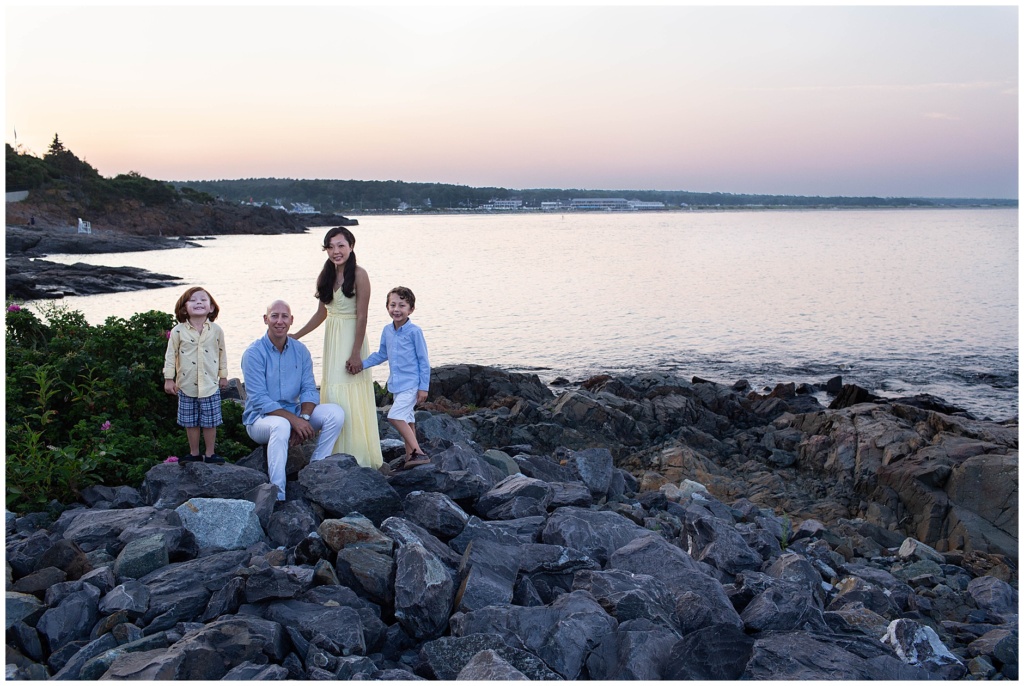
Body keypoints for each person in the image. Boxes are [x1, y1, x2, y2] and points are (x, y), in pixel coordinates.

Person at [291, 227, 384, 470]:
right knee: (332, 392)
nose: (336, 251)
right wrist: (297, 335)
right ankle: (334, 451)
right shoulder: (325, 276)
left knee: (351, 391)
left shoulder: (360, 275)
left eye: (341, 245)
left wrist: (356, 354)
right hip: (332, 338)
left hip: (352, 338)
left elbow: (362, 316)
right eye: (331, 247)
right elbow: (322, 313)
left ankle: (357, 454)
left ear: (351, 247)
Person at [241, 300, 346, 500]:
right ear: (266, 319)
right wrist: (294, 421)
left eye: (284, 316)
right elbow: (260, 400)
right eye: (274, 316)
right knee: (280, 425)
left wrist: (304, 418)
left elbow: (309, 389)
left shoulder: (301, 351)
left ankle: (315, 469)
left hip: (295, 412)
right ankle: (278, 493)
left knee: (335, 413)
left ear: (291, 320)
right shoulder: (253, 354)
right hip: (260, 420)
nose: (279, 321)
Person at [351, 286, 431, 469]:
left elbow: (423, 361)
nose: (396, 309)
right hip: (397, 385)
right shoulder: (387, 330)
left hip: (411, 384)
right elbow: (381, 354)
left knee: (395, 416)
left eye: (402, 305)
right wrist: (361, 364)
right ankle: (410, 456)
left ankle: (419, 452)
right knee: (408, 421)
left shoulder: (414, 332)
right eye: (392, 305)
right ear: (387, 307)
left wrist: (423, 387)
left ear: (411, 309)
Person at [162, 286, 228, 464]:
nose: (198, 302)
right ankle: (194, 453)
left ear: (211, 307)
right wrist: (169, 379)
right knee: (190, 421)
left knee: (210, 421)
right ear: (184, 308)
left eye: (203, 299)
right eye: (193, 300)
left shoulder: (216, 330)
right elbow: (170, 355)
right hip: (186, 385)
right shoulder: (178, 331)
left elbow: (222, 353)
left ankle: (210, 453)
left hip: (210, 384)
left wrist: (223, 376)